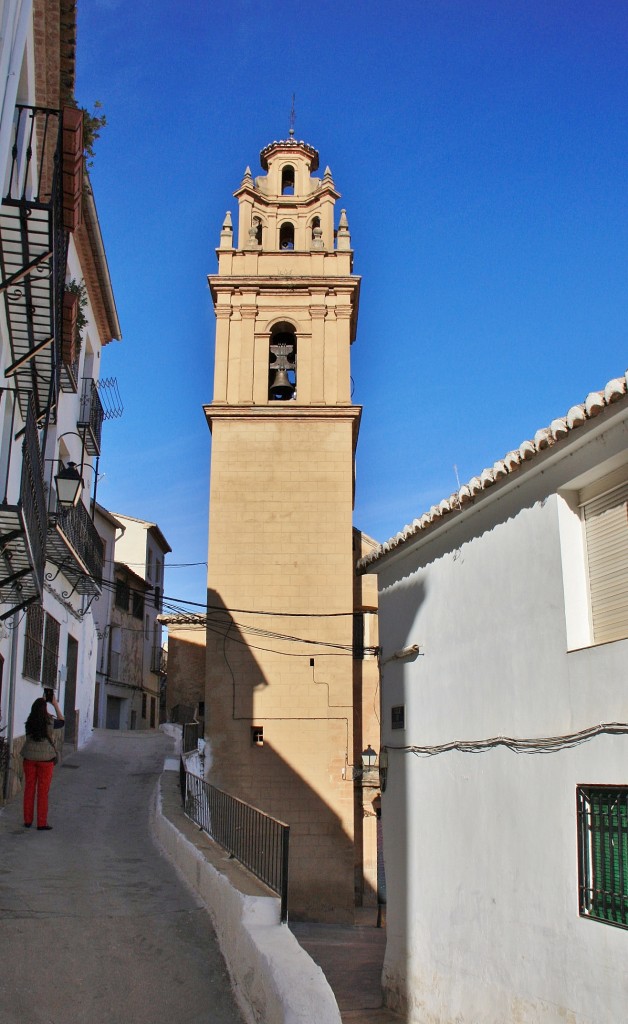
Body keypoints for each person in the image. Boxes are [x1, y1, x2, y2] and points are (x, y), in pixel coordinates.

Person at [21, 691, 64, 830]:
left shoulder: (29, 722)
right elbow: (62, 721)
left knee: (29, 789)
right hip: (46, 760)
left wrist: (43, 701)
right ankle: (41, 823)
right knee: (43, 792)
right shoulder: (50, 721)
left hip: (29, 758)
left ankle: (27, 820)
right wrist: (54, 704)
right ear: (45, 709)